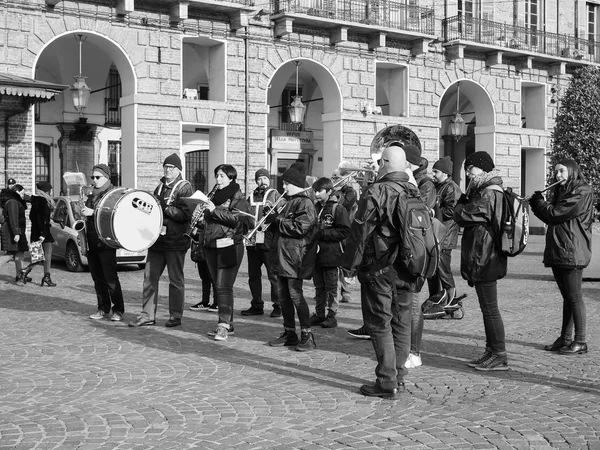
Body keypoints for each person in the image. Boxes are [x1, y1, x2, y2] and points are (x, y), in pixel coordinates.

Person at [342, 144, 419, 399]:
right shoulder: (413, 189)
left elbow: (359, 231)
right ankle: (399, 377)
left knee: (380, 322)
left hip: (381, 266)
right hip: (409, 266)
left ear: (384, 163)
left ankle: (387, 382)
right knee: (402, 322)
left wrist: (350, 266)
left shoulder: (377, 190)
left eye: (378, 163)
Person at [529, 158, 593, 355]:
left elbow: (555, 214)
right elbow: (551, 216)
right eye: (556, 172)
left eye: (562, 171)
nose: (558, 176)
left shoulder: (582, 191)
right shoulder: (563, 191)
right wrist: (538, 203)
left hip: (572, 250)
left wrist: (538, 202)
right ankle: (565, 338)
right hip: (560, 249)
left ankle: (580, 341)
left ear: (572, 171)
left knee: (574, 297)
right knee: (568, 297)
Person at [454, 151, 508, 371]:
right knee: (488, 308)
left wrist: (461, 203)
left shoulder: (489, 193)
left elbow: (462, 215)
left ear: (484, 169)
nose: (468, 172)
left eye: (471, 168)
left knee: (490, 309)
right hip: (484, 256)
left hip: (486, 258)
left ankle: (499, 354)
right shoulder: (484, 190)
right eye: (467, 168)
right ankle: (491, 350)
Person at [129, 153, 193, 328]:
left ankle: (175, 315)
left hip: (175, 241)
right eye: (165, 167)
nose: (167, 170)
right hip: (157, 240)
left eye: (171, 167)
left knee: (175, 280)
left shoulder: (185, 187)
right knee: (149, 278)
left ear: (179, 169)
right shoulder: (160, 187)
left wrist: (165, 209)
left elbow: (185, 215)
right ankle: (147, 314)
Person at [268, 163, 318, 351]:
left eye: (286, 183)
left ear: (295, 184)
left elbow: (300, 227)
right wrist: (272, 219)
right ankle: (290, 332)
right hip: (283, 256)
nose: (283, 187)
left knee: (296, 296)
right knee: (284, 298)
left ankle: (307, 334)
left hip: (295, 258)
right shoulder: (290, 201)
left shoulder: (305, 202)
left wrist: (278, 220)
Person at [199, 164, 249, 341]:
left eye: (221, 176)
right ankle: (229, 323)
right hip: (211, 244)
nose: (218, 179)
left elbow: (237, 221)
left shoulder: (238, 197)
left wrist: (214, 211)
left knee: (223, 285)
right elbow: (208, 220)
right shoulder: (213, 196)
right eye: (216, 176)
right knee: (219, 284)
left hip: (230, 244)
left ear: (231, 178)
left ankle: (223, 326)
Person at [82, 165, 125, 321]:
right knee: (97, 278)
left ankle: (118, 310)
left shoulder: (113, 193)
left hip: (106, 242)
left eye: (97, 177)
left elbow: (117, 214)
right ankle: (102, 308)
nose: (94, 180)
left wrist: (93, 212)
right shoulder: (92, 195)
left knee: (110, 278)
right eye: (92, 177)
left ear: (107, 177)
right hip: (92, 240)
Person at [309, 177, 350, 329]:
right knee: (319, 287)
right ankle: (319, 314)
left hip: (332, 255)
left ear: (328, 191)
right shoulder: (315, 207)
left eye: (319, 191)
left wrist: (323, 234)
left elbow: (344, 231)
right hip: (316, 255)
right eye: (315, 191)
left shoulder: (338, 209)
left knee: (332, 287)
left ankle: (332, 316)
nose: (316, 194)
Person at [240, 168, 281, 318]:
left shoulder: (275, 195)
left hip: (269, 241)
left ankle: (278, 305)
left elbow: (282, 215)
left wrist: (273, 219)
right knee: (253, 276)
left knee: (273, 276)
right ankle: (256, 304)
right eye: (259, 179)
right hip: (253, 242)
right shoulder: (250, 197)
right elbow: (244, 216)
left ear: (269, 180)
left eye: (264, 178)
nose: (262, 182)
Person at [426, 156, 462, 313]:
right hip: (434, 235)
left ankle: (451, 300)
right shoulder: (436, 186)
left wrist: (433, 211)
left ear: (446, 173)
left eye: (436, 171)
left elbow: (453, 211)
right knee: (431, 270)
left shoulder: (452, 188)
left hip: (445, 236)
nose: (433, 174)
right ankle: (435, 299)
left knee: (442, 269)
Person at [332, 162, 360, 304]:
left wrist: (335, 193)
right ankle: (334, 290)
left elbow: (343, 206)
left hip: (347, 229)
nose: (333, 179)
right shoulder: (335, 190)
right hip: (335, 228)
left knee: (344, 261)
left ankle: (346, 291)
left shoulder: (350, 192)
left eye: (336, 177)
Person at [29, 181, 57, 287]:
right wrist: (43, 233)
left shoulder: (35, 201)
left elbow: (32, 217)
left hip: (35, 231)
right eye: (49, 190)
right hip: (43, 232)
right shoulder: (43, 201)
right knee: (47, 254)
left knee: (37, 256)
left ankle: (24, 272)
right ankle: (46, 276)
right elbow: (43, 219)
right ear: (46, 190)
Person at [0, 184, 30, 284]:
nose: (23, 195)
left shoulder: (14, 201)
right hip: (12, 232)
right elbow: (13, 219)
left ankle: (19, 275)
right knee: (10, 254)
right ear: (16, 192)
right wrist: (16, 233)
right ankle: (19, 274)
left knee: (20, 252)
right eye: (22, 193)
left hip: (17, 231)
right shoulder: (12, 202)